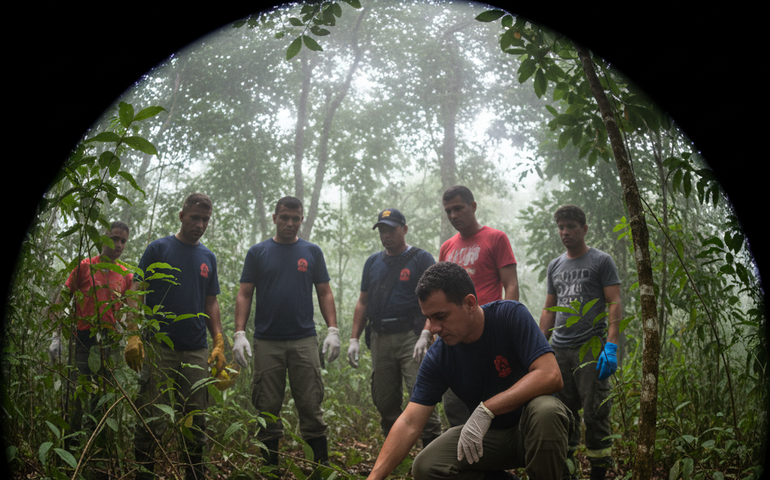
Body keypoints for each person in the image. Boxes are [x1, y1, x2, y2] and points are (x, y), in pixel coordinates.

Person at [366, 261, 570, 480]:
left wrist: (486, 409)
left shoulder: (510, 316)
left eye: (441, 316)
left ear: (470, 303)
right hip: (489, 439)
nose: (433, 328)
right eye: (429, 318)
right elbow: (409, 422)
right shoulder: (439, 356)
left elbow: (550, 375)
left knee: (546, 409)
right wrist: (374, 477)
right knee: (427, 466)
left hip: (534, 431)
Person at [232, 196, 340, 466]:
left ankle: (320, 467)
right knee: (267, 408)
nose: (290, 223)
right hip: (267, 342)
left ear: (302, 219)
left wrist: (333, 329)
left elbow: (324, 291)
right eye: (284, 217)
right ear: (275, 218)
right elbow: (245, 293)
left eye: (295, 218)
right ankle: (271, 469)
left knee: (311, 406)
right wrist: (239, 334)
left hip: (304, 339)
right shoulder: (258, 252)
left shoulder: (312, 251)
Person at [127, 193, 225, 480]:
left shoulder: (208, 257)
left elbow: (211, 302)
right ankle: (144, 475)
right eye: (195, 217)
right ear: (182, 216)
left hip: (195, 348)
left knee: (195, 421)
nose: (200, 224)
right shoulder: (159, 249)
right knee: (150, 418)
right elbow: (136, 289)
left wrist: (219, 341)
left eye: (205, 219)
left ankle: (194, 475)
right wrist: (134, 334)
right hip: (159, 346)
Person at [538, 205, 621, 480]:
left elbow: (614, 303)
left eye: (571, 226)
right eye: (561, 227)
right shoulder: (555, 265)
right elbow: (549, 308)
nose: (565, 232)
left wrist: (610, 345)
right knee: (563, 414)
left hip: (591, 348)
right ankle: (568, 470)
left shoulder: (601, 260)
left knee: (596, 412)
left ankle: (598, 472)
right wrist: (540, 346)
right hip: (559, 350)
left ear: (584, 229)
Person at [347, 208, 442, 447]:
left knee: (421, 395)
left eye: (391, 229)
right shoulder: (372, 263)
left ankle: (432, 455)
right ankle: (394, 453)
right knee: (385, 399)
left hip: (412, 337)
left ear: (405, 229)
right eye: (382, 230)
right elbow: (363, 302)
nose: (386, 235)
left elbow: (436, 300)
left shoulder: (422, 259)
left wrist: (426, 333)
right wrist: (354, 339)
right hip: (380, 338)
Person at [48, 221, 133, 449]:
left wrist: (132, 337)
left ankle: (98, 451)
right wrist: (56, 336)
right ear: (103, 238)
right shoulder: (84, 266)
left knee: (103, 398)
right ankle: (70, 448)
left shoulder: (125, 275)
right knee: (76, 393)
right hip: (82, 339)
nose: (118, 245)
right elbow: (62, 300)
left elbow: (131, 309)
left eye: (123, 241)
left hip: (109, 343)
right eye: (114, 238)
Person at [439, 185, 519, 426]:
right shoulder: (447, 247)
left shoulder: (495, 238)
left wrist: (506, 326)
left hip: (487, 332)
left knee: (491, 401)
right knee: (454, 403)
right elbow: (439, 294)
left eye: (458, 208)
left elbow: (511, 285)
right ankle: (463, 458)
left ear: (473, 206)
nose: (453, 216)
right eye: (448, 211)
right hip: (455, 337)